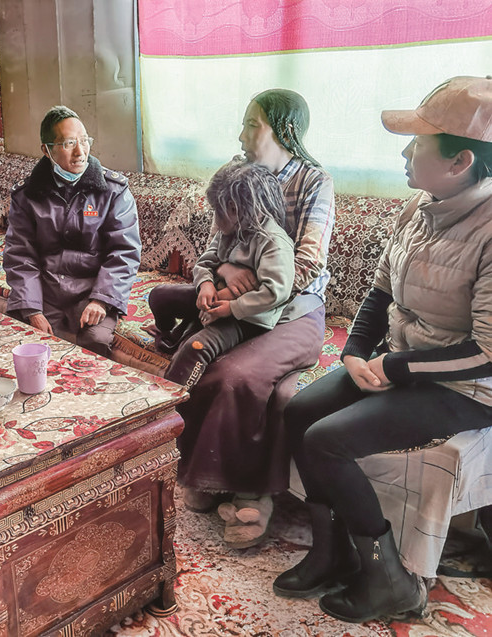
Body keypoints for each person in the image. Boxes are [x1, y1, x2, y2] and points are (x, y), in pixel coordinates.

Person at [274, 76, 492, 622]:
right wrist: (353, 351)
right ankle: (330, 552)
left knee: (326, 441)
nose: (404, 152)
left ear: (460, 161)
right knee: (300, 411)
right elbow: (380, 291)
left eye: (417, 143)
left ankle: (389, 579)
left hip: (466, 385)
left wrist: (394, 366)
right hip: (404, 360)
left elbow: (488, 352)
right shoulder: (419, 206)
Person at [173, 89, 335, 549]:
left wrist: (243, 288)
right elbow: (215, 247)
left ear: (285, 130)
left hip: (294, 311)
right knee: (209, 363)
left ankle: (253, 494)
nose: (241, 135)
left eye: (251, 125)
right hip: (239, 307)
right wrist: (220, 275)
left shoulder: (314, 181)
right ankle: (207, 475)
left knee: (242, 377)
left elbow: (307, 264)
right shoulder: (237, 174)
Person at [2, 105, 141, 357]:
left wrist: (102, 299)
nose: (80, 152)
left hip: (92, 292)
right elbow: (20, 255)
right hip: (45, 292)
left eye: (84, 141)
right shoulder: (27, 195)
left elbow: (124, 252)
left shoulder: (113, 191)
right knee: (26, 342)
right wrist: (32, 310)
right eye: (68, 143)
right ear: (47, 150)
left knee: (95, 343)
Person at [150, 159, 294, 393]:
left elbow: (275, 292)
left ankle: (169, 402)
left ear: (234, 209)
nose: (215, 219)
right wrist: (206, 284)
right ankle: (169, 332)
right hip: (216, 298)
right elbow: (204, 263)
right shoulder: (228, 231)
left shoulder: (274, 242)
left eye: (217, 211)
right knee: (159, 296)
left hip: (246, 319)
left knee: (196, 347)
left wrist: (231, 308)